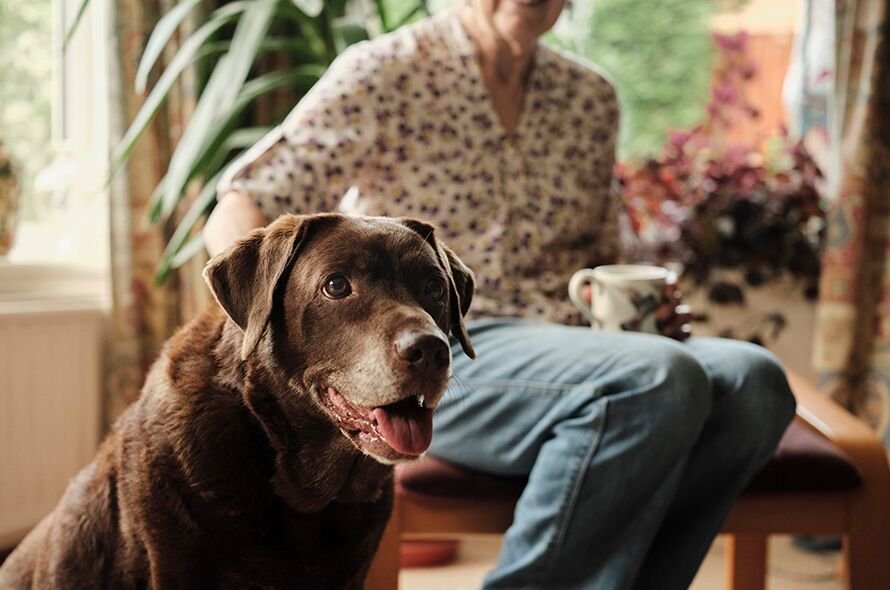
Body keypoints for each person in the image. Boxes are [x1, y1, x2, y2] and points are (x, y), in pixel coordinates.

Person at [203, 1, 796, 588]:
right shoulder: (385, 72)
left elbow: (606, 253)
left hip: (579, 345)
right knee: (656, 377)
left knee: (754, 382)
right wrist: (261, 318)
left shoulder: (590, 99)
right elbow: (244, 199)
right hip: (445, 349)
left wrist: (646, 301)